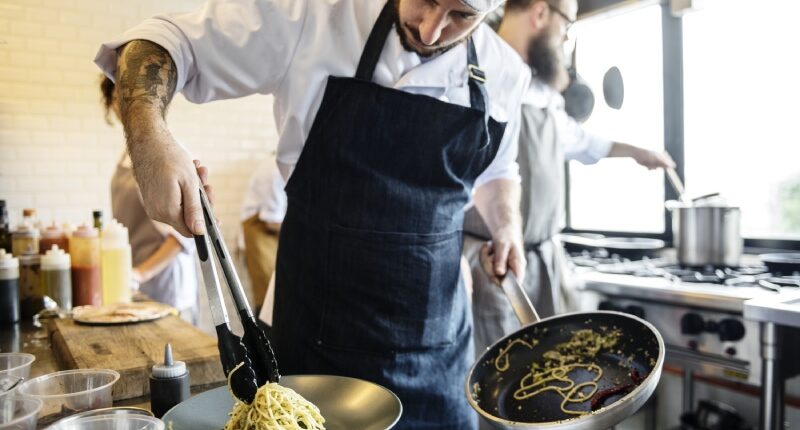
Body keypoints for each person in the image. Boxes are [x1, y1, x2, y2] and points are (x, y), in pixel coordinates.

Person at [94, 0, 532, 427]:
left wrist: (506, 224)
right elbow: (159, 43)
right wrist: (150, 136)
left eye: (462, 15)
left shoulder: (507, 73)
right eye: (427, 0)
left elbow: (497, 171)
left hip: (438, 354)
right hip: (313, 343)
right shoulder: (311, 16)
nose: (431, 30)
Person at [463, 0, 676, 356]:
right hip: (493, 264)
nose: (565, 37)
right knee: (502, 376)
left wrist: (638, 152)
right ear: (540, 12)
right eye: (566, 25)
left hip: (545, 262)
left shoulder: (544, 92)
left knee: (556, 370)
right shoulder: (476, 68)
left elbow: (581, 142)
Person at [100, 76, 200, 323]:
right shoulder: (128, 154)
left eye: (128, 97)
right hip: (135, 285)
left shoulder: (170, 153)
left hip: (167, 285)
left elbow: (183, 236)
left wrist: (141, 274)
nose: (123, 106)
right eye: (116, 99)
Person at [240, 154, 286, 313]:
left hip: (272, 241)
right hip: (260, 238)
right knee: (268, 303)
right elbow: (271, 221)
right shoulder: (274, 170)